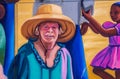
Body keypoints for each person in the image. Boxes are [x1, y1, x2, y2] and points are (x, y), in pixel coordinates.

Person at [7, 4, 75, 79]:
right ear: (37, 30)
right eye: (46, 27)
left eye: (54, 27)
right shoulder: (25, 53)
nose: (50, 31)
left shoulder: (64, 54)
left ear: (60, 31)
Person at [82, 2, 120, 79]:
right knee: (97, 70)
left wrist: (89, 18)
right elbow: (98, 30)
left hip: (118, 53)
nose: (112, 15)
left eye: (116, 13)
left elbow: (104, 32)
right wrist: (88, 23)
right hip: (112, 51)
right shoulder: (111, 25)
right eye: (111, 13)